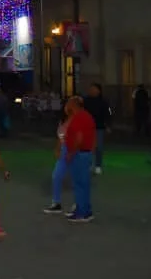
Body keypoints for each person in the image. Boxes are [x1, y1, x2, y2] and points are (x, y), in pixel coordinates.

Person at [63, 95, 96, 223]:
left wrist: (71, 152)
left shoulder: (78, 118)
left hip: (79, 153)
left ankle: (82, 212)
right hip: (85, 153)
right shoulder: (87, 116)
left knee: (79, 184)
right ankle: (85, 210)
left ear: (73, 105)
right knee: (84, 184)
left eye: (68, 104)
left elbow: (79, 137)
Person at [43, 104, 72, 214]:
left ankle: (80, 206)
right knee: (56, 175)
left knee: (78, 179)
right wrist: (58, 149)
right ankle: (56, 203)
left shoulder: (77, 120)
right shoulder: (63, 121)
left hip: (74, 150)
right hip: (64, 150)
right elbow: (60, 137)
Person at [83, 83, 111, 175]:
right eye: (91, 89)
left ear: (98, 91)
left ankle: (98, 165)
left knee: (99, 147)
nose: (92, 91)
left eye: (94, 89)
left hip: (99, 127)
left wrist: (108, 125)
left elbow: (108, 114)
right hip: (87, 127)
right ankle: (89, 164)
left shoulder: (103, 102)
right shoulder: (85, 101)